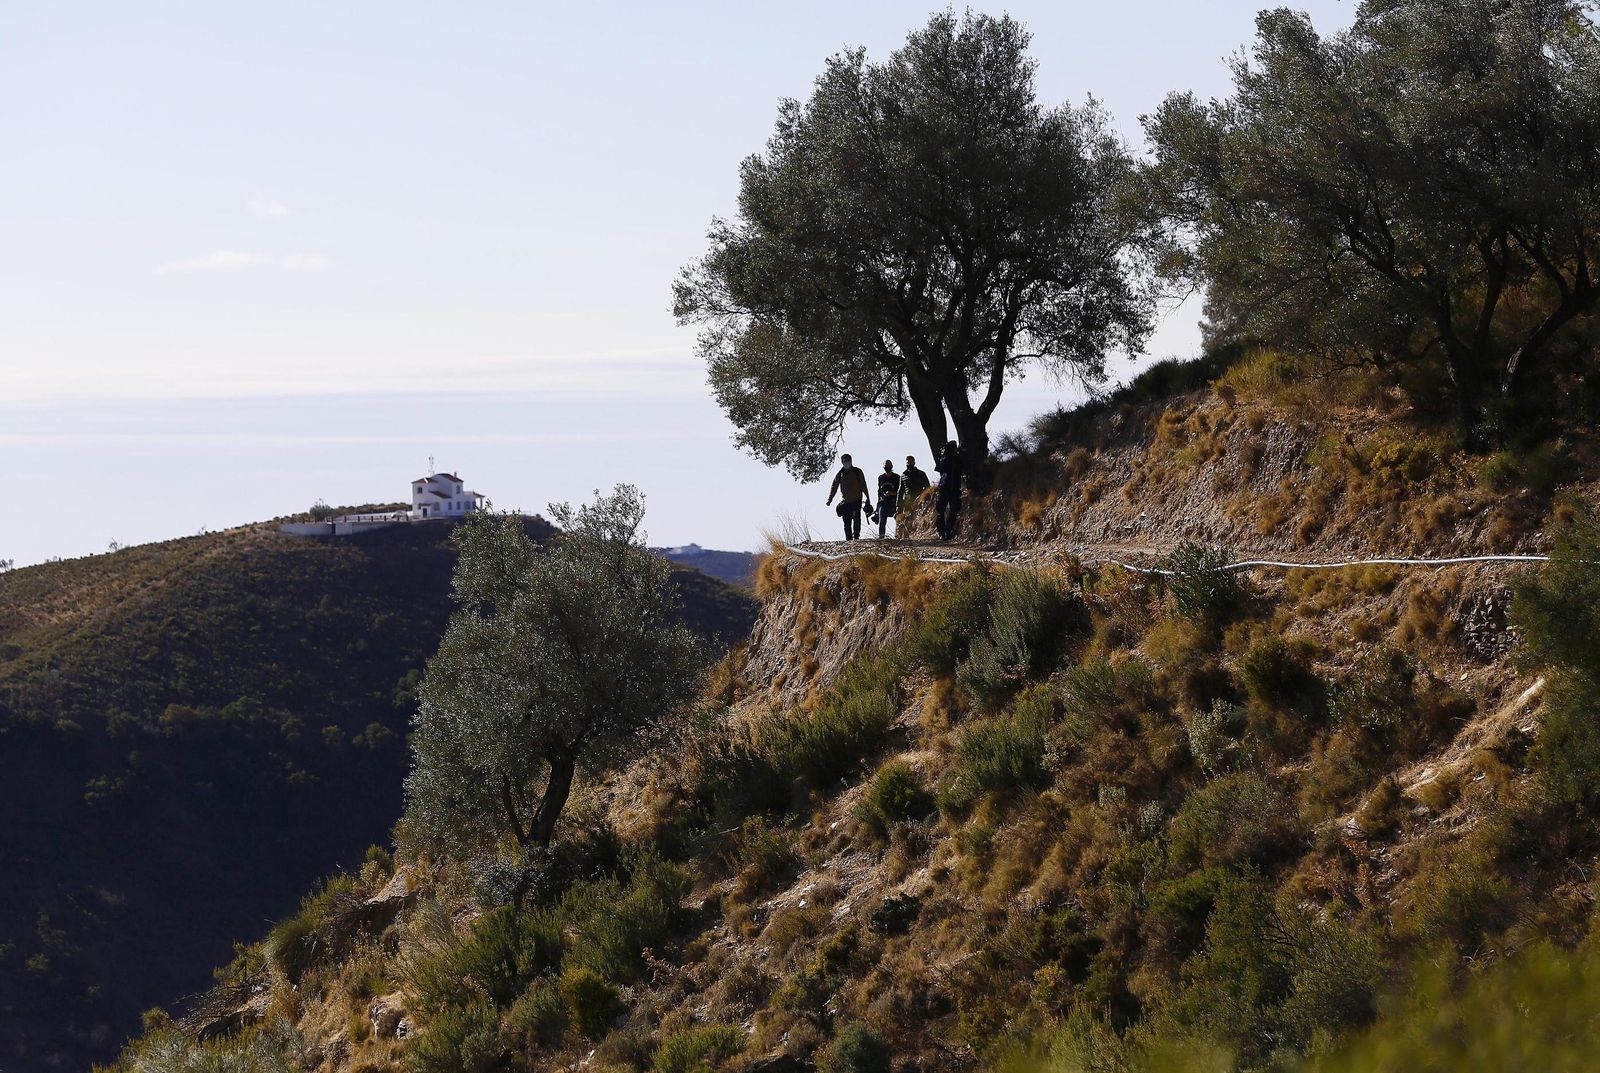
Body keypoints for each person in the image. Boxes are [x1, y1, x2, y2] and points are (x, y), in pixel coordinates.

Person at [825, 453, 872, 540]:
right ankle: (848, 539)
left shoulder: (857, 472)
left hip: (857, 500)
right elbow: (834, 486)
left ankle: (856, 537)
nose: (847, 463)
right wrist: (830, 499)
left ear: (851, 461)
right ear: (842, 462)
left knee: (857, 520)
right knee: (847, 522)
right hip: (846, 502)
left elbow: (863, 485)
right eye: (845, 461)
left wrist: (868, 497)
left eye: (848, 461)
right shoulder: (840, 474)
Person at [934, 440, 963, 541]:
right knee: (940, 511)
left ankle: (948, 530)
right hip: (944, 487)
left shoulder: (958, 458)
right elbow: (940, 468)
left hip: (954, 488)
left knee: (954, 508)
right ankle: (942, 532)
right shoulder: (944, 458)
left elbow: (962, 469)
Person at [874, 460, 901, 539]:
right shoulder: (881, 478)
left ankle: (898, 536)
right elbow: (879, 492)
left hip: (894, 502)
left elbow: (900, 491)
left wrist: (892, 493)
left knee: (899, 519)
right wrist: (877, 508)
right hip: (883, 503)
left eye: (889, 465)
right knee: (882, 520)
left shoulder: (897, 477)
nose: (887, 467)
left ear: (892, 466)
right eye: (886, 465)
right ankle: (881, 537)